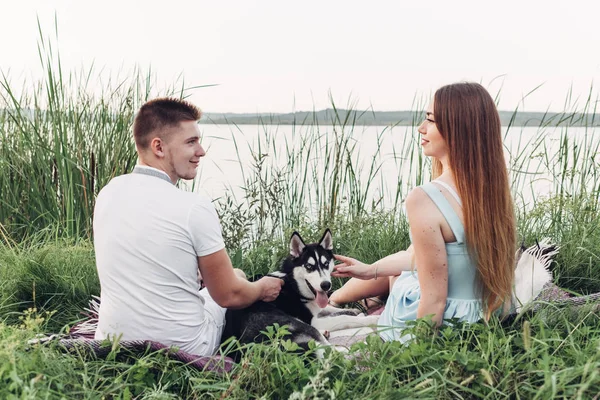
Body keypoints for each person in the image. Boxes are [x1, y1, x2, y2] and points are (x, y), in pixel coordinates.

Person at [93, 98, 283, 355]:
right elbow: (229, 296)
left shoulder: (108, 192)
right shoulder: (194, 206)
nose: (201, 151)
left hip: (111, 340)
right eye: (191, 142)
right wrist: (262, 287)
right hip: (181, 346)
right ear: (158, 147)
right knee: (236, 276)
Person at [330, 82, 516, 341]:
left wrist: (416, 359)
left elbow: (434, 301)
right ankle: (346, 299)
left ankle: (347, 304)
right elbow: (446, 260)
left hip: (446, 326)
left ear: (457, 130)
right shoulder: (491, 192)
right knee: (404, 264)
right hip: (486, 316)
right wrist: (370, 269)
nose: (421, 128)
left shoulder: (425, 197)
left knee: (404, 279)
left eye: (430, 120)